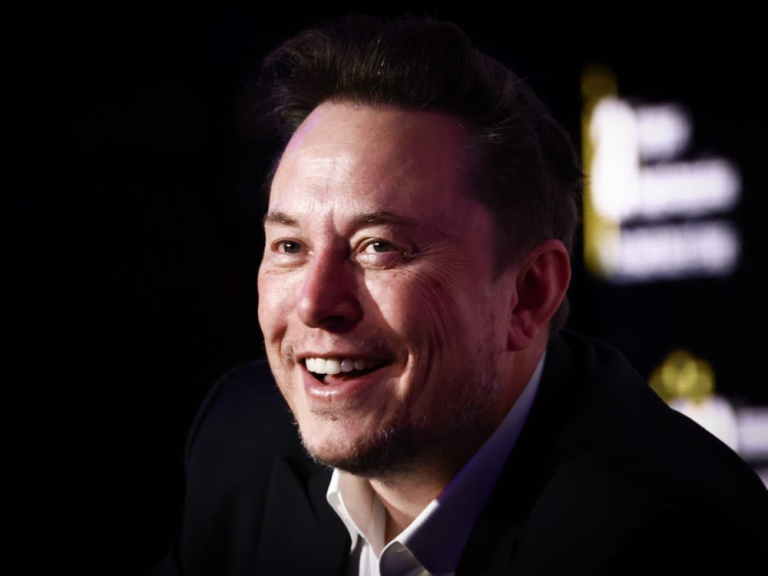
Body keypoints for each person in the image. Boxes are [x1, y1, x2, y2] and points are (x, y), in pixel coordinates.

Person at [153, 15, 768, 575]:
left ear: (528, 294)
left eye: (379, 247)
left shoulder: (665, 540)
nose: (315, 303)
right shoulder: (243, 441)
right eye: (290, 246)